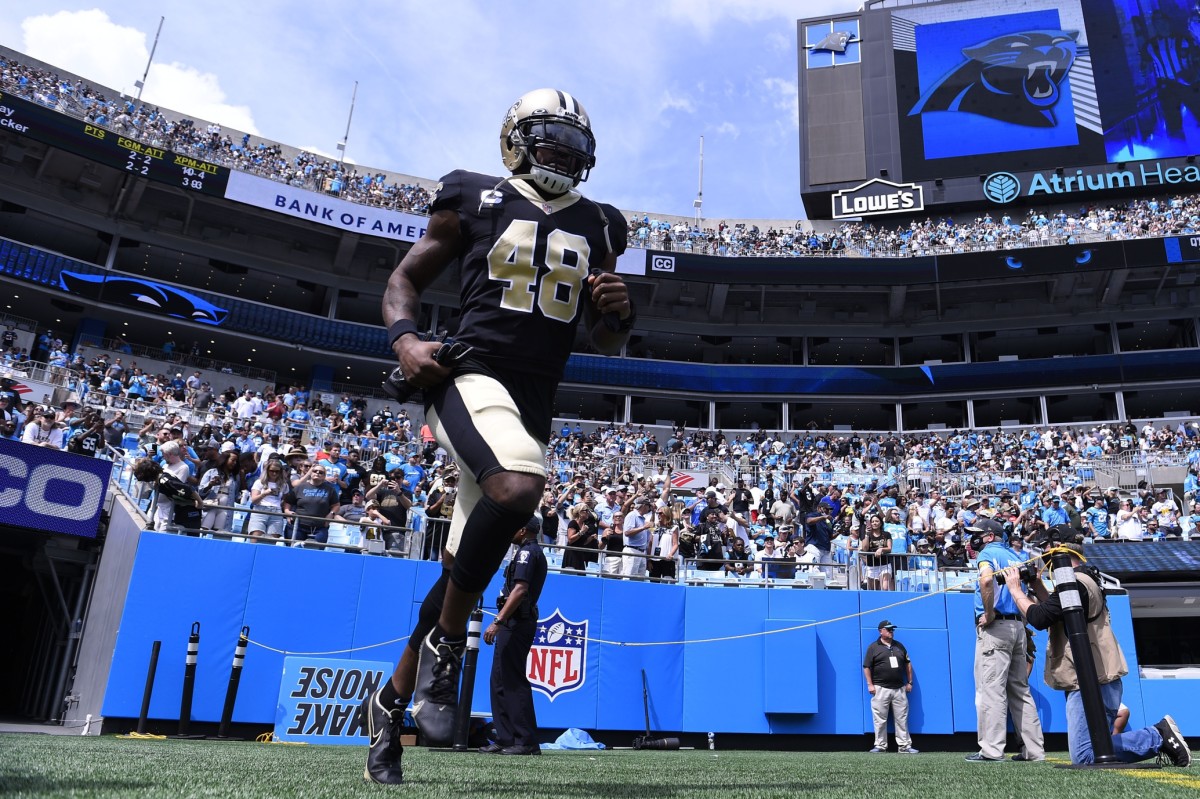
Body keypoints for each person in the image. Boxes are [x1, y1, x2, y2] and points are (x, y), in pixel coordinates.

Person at [360, 88, 632, 785]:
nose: (563, 159)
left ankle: (388, 707)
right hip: (469, 374)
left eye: (575, 151)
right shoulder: (476, 199)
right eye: (550, 145)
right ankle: (452, 644)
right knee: (517, 488)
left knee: (460, 570)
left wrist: (617, 315)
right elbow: (403, 279)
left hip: (532, 400)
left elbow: (603, 333)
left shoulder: (602, 224)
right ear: (515, 141)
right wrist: (404, 340)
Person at [1005, 537, 1192, 767]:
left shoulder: (1075, 582)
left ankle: (1157, 736)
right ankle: (1158, 735)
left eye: (1046, 555)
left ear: (1057, 553)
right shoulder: (1083, 580)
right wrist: (1035, 585)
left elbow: (1039, 617)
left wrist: (1015, 590)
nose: (1045, 562)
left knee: (1085, 755)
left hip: (1089, 677)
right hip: (1098, 675)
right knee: (1091, 749)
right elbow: (1057, 611)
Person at [966, 518, 1045, 762]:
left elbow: (986, 579)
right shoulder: (1015, 556)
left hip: (996, 627)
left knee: (992, 689)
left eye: (976, 534)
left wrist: (988, 613)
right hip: (1018, 627)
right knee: (1020, 690)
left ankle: (991, 750)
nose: (972, 538)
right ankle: (1034, 751)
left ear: (989, 536)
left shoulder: (987, 554)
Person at [480, 515, 547, 756]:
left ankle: (526, 741)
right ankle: (507, 737)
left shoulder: (528, 553)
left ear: (522, 530)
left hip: (517, 621)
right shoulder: (524, 551)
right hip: (513, 620)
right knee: (499, 680)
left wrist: (498, 621)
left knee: (512, 680)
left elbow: (520, 589)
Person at [863, 620, 918, 754]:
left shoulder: (899, 646)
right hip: (881, 688)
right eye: (888, 629)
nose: (891, 632)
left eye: (892, 629)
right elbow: (866, 667)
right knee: (880, 719)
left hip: (899, 689)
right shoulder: (873, 647)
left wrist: (910, 682)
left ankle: (904, 746)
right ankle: (881, 746)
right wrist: (870, 684)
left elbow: (908, 664)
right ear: (880, 631)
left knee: (902, 718)